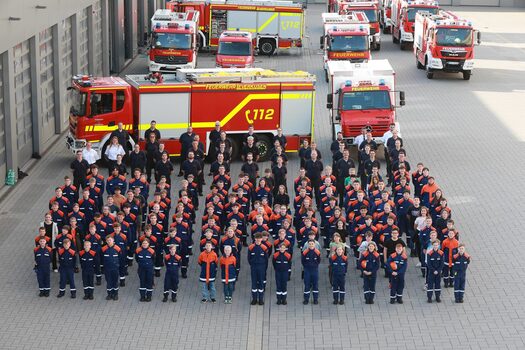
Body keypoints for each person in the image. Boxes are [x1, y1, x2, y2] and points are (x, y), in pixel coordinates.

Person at [248, 232, 269, 305]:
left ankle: (260, 299)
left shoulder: (264, 247)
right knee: (254, 283)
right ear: (254, 239)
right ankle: (254, 299)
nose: (258, 240)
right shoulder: (251, 247)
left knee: (261, 283)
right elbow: (249, 258)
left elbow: (266, 259)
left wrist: (264, 268)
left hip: (261, 267)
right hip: (254, 267)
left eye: (259, 239)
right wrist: (252, 264)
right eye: (256, 239)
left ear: (261, 239)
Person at [102, 235, 121, 301]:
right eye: (108, 240)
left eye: (110, 240)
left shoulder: (117, 248)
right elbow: (102, 259)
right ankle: (109, 294)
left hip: (115, 269)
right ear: (106, 241)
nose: (109, 241)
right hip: (107, 269)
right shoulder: (104, 249)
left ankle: (115, 294)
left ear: (113, 240)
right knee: (109, 282)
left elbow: (120, 258)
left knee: (115, 282)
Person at [302, 239, 321, 305]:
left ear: (314, 244)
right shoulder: (305, 252)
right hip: (307, 271)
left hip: (315, 270)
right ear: (308, 245)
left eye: (312, 244)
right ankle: (306, 299)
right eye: (310, 244)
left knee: (315, 285)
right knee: (307, 285)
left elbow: (319, 261)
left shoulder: (317, 252)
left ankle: (315, 299)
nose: (311, 245)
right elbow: (303, 261)